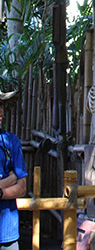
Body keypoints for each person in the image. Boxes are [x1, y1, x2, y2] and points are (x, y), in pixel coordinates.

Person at [0, 91, 27, 250]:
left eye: (1, 105)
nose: (1, 111)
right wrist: (10, 180)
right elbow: (15, 179)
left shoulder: (11, 141)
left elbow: (21, 187)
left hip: (7, 232)